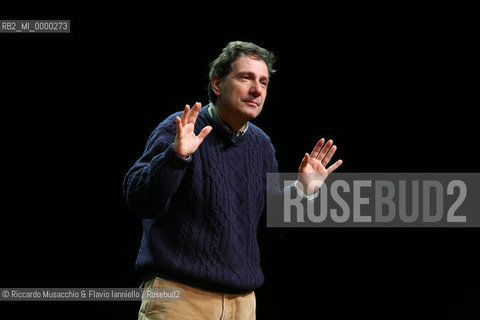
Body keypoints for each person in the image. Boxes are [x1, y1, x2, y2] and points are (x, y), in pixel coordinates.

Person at [123, 41, 342, 320]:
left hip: (242, 304)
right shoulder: (181, 127)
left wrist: (301, 192)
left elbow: (265, 230)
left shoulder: (261, 146)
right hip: (181, 299)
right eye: (245, 77)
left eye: (263, 82)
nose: (257, 89)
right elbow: (140, 201)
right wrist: (175, 157)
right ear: (217, 84)